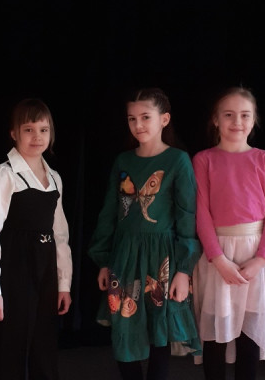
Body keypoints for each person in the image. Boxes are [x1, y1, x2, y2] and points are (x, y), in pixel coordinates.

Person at [87, 87, 202, 380]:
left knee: (158, 330)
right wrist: (103, 260)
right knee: (123, 322)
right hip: (125, 255)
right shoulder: (123, 161)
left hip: (161, 255)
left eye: (145, 117)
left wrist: (184, 270)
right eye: (132, 118)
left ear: (164, 119)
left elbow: (187, 217)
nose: (138, 124)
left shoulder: (177, 161)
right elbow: (109, 213)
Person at [0, 98, 73, 380]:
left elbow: (60, 235)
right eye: (28, 129)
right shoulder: (4, 174)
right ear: (14, 133)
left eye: (43, 130)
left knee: (44, 346)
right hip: (15, 267)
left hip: (46, 269)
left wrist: (63, 284)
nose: (37, 137)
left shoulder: (54, 178)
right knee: (11, 346)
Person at [191, 86, 265, 380]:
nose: (237, 121)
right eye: (228, 115)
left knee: (249, 334)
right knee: (215, 333)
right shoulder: (203, 160)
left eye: (245, 115)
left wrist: (262, 259)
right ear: (215, 119)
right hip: (217, 254)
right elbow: (201, 213)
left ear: (254, 120)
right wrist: (218, 259)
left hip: (255, 253)